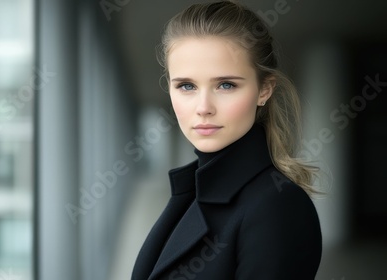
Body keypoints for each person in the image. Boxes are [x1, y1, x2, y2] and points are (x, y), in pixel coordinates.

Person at [131, 1, 322, 279]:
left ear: (264, 90)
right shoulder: (192, 192)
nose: (204, 107)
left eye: (226, 85)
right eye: (187, 86)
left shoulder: (278, 207)